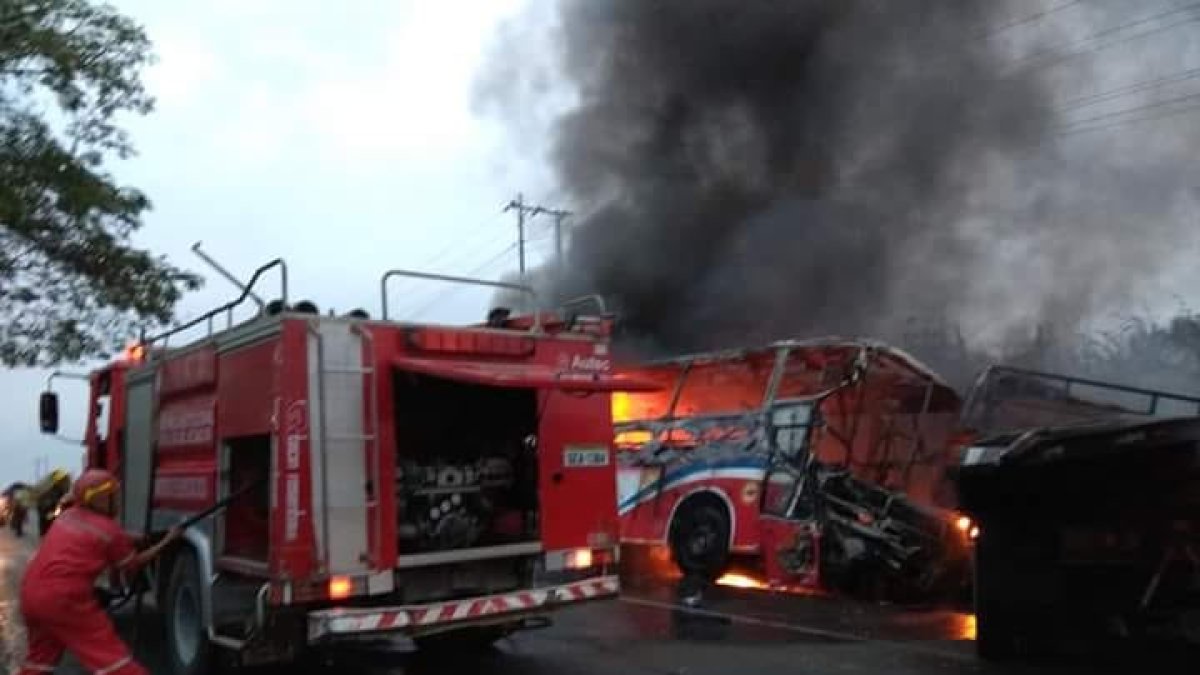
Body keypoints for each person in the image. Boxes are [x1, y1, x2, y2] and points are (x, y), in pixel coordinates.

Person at [17, 469, 181, 675]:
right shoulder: (109, 531)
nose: (119, 501)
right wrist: (168, 540)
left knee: (39, 660)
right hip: (65, 601)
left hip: (31, 594)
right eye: (115, 495)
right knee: (112, 661)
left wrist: (135, 537)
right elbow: (132, 565)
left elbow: (92, 535)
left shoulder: (67, 517)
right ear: (103, 498)